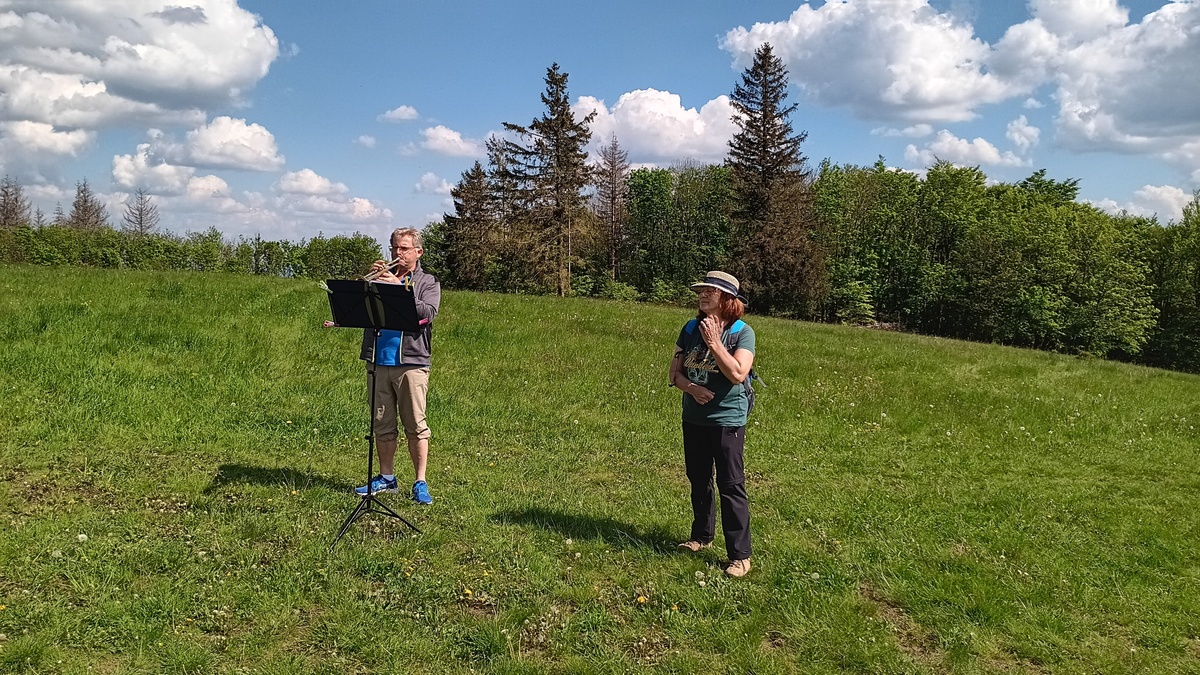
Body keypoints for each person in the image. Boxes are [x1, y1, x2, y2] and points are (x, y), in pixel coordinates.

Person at [668, 271, 756, 578]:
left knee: (730, 484)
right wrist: (691, 389)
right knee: (698, 478)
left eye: (711, 291)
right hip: (693, 418)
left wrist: (715, 342)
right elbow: (674, 374)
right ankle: (701, 537)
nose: (703, 294)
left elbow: (738, 374)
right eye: (702, 290)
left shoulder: (742, 333)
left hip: (727, 420)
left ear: (729, 300)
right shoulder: (690, 327)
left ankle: (740, 556)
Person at [355, 227, 441, 504]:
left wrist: (398, 286)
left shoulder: (428, 281)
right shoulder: (383, 277)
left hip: (411, 362)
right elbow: (360, 308)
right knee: (382, 422)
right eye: (394, 248)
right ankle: (386, 477)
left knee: (415, 424)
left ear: (418, 252)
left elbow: (427, 314)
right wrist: (371, 286)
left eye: (404, 248)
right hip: (379, 359)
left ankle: (420, 481)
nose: (397, 253)